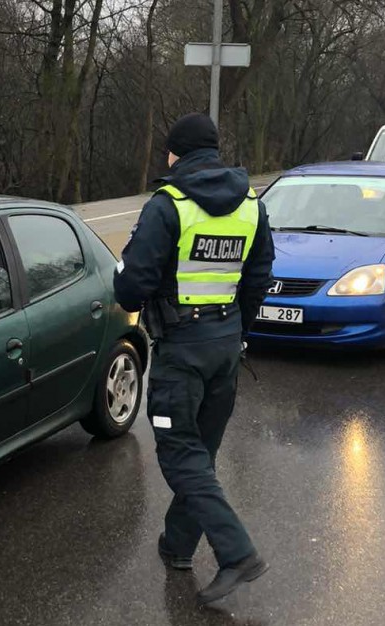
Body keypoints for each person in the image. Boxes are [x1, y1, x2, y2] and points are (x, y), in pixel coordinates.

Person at [113, 112, 274, 604]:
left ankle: (237, 553)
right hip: (226, 345)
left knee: (180, 453)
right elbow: (259, 277)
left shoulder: (169, 205)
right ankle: (178, 545)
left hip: (181, 350)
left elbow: (131, 288)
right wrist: (236, 330)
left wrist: (130, 276)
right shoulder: (251, 204)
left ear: (175, 155)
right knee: (198, 453)